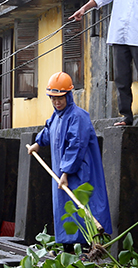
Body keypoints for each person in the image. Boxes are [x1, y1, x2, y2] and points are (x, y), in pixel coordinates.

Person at [27, 72, 112, 246]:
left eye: (60, 98)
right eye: (53, 98)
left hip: (80, 172)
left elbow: (76, 146)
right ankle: (68, 246)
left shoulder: (78, 116)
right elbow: (49, 130)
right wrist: (38, 143)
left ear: (69, 95)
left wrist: (66, 172)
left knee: (82, 205)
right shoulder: (57, 115)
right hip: (62, 172)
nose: (57, 102)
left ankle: (87, 245)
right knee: (64, 209)